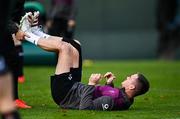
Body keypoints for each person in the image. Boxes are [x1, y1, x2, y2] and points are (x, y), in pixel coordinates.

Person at [19, 12, 150, 110]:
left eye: (131, 77)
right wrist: (109, 84)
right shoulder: (124, 97)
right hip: (74, 87)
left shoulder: (116, 101)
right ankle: (37, 32)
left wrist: (91, 84)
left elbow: (86, 107)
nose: (128, 76)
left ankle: (27, 34)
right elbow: (104, 95)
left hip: (64, 94)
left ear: (131, 87)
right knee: (76, 44)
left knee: (64, 48)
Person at [1, 0, 31, 108]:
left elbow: (17, 12)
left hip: (4, 29)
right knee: (11, 58)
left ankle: (13, 99)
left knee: (12, 58)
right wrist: (16, 30)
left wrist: (26, 20)